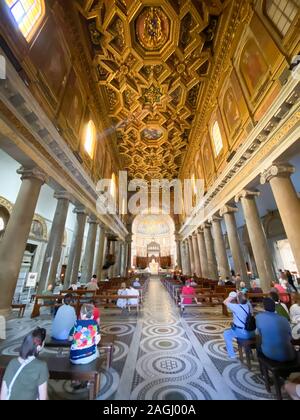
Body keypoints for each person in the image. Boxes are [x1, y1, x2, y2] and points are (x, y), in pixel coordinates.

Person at [0, 327, 48, 400]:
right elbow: (43, 398)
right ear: (38, 347)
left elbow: (3, 395)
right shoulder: (42, 366)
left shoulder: (12, 362)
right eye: (43, 342)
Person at [256, 298, 296, 362]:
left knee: (258, 341)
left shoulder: (258, 317)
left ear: (264, 307)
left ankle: (263, 368)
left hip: (271, 353)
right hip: (289, 354)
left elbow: (260, 335)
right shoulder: (284, 319)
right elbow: (290, 336)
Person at [223, 291, 255, 359]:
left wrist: (232, 295)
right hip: (252, 332)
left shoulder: (236, 307)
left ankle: (231, 355)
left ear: (237, 299)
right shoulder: (248, 306)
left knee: (226, 333)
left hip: (242, 333)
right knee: (233, 329)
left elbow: (225, 302)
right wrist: (239, 295)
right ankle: (249, 351)